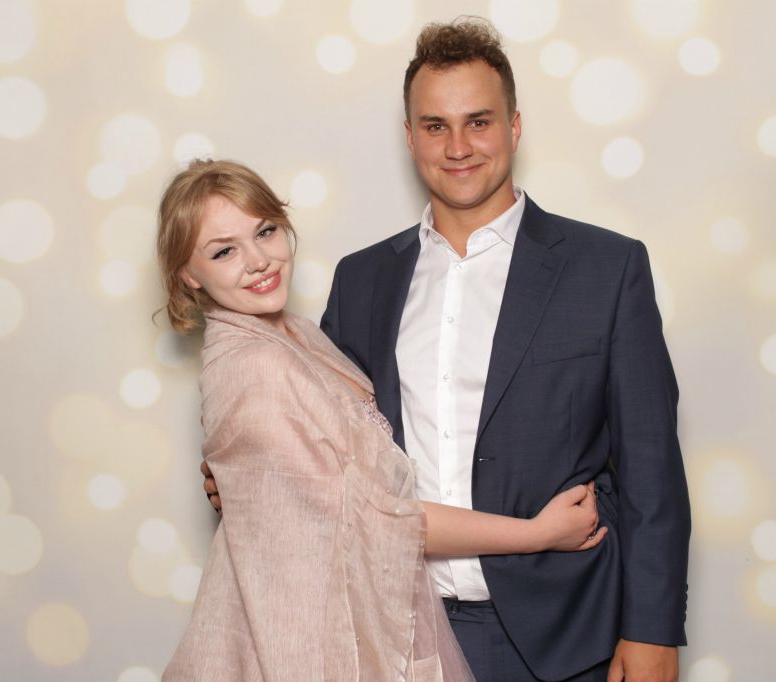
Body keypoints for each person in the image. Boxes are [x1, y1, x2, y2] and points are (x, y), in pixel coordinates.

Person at [205, 17, 691, 682]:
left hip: (569, 634)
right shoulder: (363, 281)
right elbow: (326, 445)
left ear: (514, 127)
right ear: (410, 137)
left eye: (478, 122)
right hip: (399, 635)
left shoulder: (606, 269)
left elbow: (651, 469)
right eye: (435, 126)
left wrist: (653, 632)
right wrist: (248, 472)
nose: (458, 146)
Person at [157, 159, 608, 682]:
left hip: (355, 625)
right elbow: (379, 520)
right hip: (308, 646)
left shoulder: (296, 334)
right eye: (224, 251)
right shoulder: (254, 365)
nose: (258, 261)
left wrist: (248, 483)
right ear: (188, 273)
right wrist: (536, 533)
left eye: (265, 231)